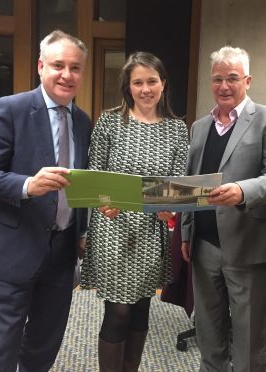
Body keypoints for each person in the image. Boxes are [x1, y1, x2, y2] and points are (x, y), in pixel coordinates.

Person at [0, 30, 91, 372]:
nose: (67, 74)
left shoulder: (82, 122)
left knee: (42, 347)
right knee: (2, 350)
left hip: (61, 252)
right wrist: (27, 185)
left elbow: (77, 184)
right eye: (58, 65)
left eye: (75, 67)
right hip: (14, 246)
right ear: (41, 66)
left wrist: (85, 224)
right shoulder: (10, 109)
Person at [181, 46, 266, 372]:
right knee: (208, 330)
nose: (224, 86)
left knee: (247, 338)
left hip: (248, 244)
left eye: (232, 78)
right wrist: (187, 231)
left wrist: (242, 191)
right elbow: (193, 181)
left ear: (248, 80)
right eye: (217, 79)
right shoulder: (200, 127)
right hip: (203, 246)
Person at [80, 51, 189, 371]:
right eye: (138, 82)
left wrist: (168, 209)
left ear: (163, 84)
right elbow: (94, 173)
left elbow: (178, 184)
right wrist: (103, 201)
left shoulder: (176, 129)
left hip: (151, 232)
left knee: (141, 308)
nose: (145, 89)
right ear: (128, 86)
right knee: (119, 311)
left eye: (151, 81)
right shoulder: (109, 121)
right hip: (113, 228)